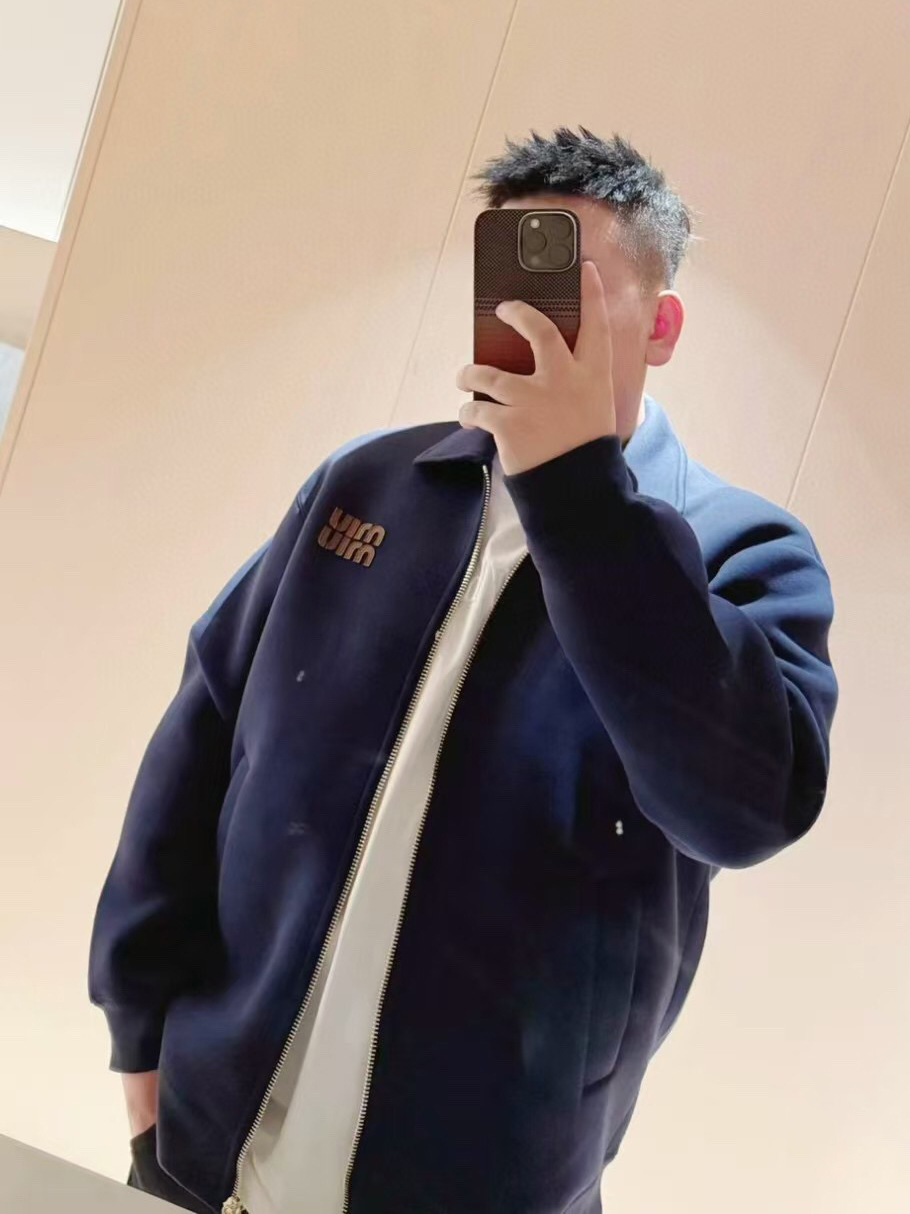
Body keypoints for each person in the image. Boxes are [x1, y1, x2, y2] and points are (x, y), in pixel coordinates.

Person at [89, 125, 839, 1214]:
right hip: (212, 1152)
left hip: (490, 1186)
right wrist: (140, 1047)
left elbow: (747, 810)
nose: (530, 320)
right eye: (509, 282)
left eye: (570, 287)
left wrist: (578, 494)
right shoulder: (368, 488)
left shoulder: (739, 552)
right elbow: (201, 740)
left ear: (661, 326)